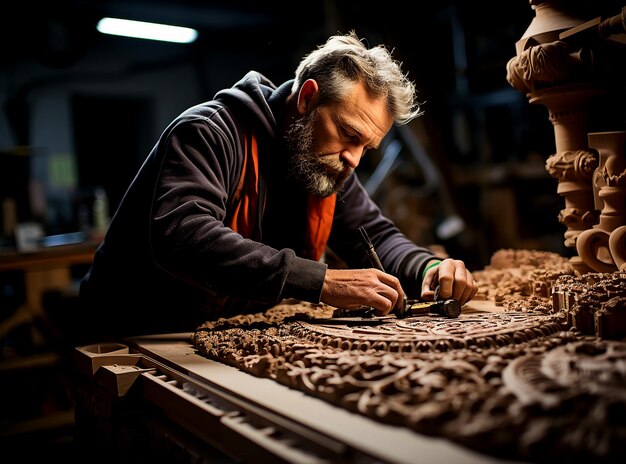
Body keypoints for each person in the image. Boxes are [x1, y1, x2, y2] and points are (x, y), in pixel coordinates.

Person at [79, 31, 478, 339]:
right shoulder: (210, 132)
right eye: (348, 133)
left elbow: (372, 233)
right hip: (128, 332)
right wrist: (319, 281)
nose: (354, 159)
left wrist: (428, 266)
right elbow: (183, 233)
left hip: (212, 332)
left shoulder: (325, 160)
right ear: (306, 98)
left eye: (366, 147)